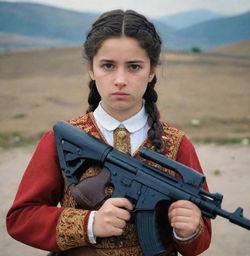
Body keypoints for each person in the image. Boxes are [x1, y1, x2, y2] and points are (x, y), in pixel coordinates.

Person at [6, 9, 211, 256]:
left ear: (152, 70)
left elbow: (200, 240)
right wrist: (90, 224)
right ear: (91, 69)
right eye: (108, 66)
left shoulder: (176, 144)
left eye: (134, 66)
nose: (120, 79)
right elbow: (22, 218)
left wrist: (187, 230)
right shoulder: (61, 139)